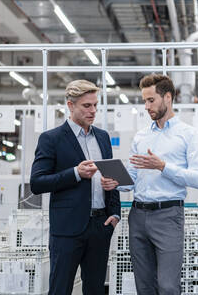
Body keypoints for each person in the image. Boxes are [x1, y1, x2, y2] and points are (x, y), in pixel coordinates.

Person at [103, 74, 198, 295]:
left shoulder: (188, 134)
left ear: (167, 97)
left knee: (168, 286)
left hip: (168, 215)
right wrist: (115, 182)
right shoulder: (141, 137)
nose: (146, 106)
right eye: (144, 101)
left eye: (151, 100)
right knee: (144, 286)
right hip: (138, 216)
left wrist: (163, 166)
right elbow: (131, 180)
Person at [30, 79, 121, 295]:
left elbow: (112, 177)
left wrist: (115, 213)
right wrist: (75, 174)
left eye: (95, 105)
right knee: (60, 289)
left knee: (95, 290)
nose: (93, 111)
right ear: (70, 106)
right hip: (67, 230)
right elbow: (37, 183)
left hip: (100, 227)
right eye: (86, 106)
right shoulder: (51, 139)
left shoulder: (103, 137)